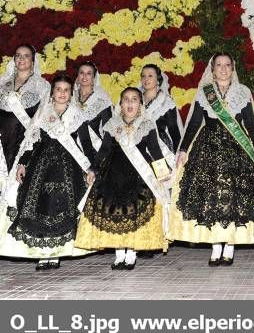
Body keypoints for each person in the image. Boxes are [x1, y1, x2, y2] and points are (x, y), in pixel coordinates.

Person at [168, 54, 254, 266]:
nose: (223, 69)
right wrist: (183, 149)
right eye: (219, 65)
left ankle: (229, 246)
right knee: (211, 195)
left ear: (233, 68)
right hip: (208, 147)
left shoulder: (243, 92)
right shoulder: (204, 92)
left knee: (233, 195)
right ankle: (215, 245)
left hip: (236, 149)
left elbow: (251, 124)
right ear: (212, 69)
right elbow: (193, 123)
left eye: (227, 65)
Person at [0, 75, 92, 269]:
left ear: (71, 93)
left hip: (67, 167)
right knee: (40, 205)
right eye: (58, 89)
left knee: (61, 206)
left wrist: (91, 168)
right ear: (52, 93)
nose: (62, 93)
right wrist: (23, 163)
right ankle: (43, 254)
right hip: (41, 166)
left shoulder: (77, 115)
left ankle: (56, 254)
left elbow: (86, 145)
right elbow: (32, 142)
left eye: (66, 90)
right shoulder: (43, 113)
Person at [74, 87, 171, 270]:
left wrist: (162, 174)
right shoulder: (112, 124)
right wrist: (94, 169)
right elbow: (104, 151)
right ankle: (119, 255)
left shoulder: (147, 124)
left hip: (138, 176)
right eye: (126, 99)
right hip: (113, 173)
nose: (130, 103)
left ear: (140, 105)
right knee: (115, 213)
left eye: (134, 99)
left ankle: (131, 254)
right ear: (120, 104)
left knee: (133, 212)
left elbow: (156, 151)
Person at [0, 44, 50, 189]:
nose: (21, 59)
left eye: (26, 56)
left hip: (25, 137)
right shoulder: (2, 82)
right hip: (2, 135)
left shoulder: (42, 85)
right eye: (18, 55)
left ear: (33, 61)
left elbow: (44, 115)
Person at [140, 64, 182, 155]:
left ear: (158, 80)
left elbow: (174, 131)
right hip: (137, 146)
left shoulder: (166, 103)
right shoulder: (134, 99)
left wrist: (178, 155)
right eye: (143, 76)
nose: (146, 79)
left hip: (160, 148)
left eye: (150, 76)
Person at [74, 61, 112, 157]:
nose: (84, 76)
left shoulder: (102, 99)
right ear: (77, 76)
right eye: (81, 73)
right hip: (72, 150)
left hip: (94, 151)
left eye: (89, 73)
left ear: (94, 77)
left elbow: (108, 131)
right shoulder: (69, 96)